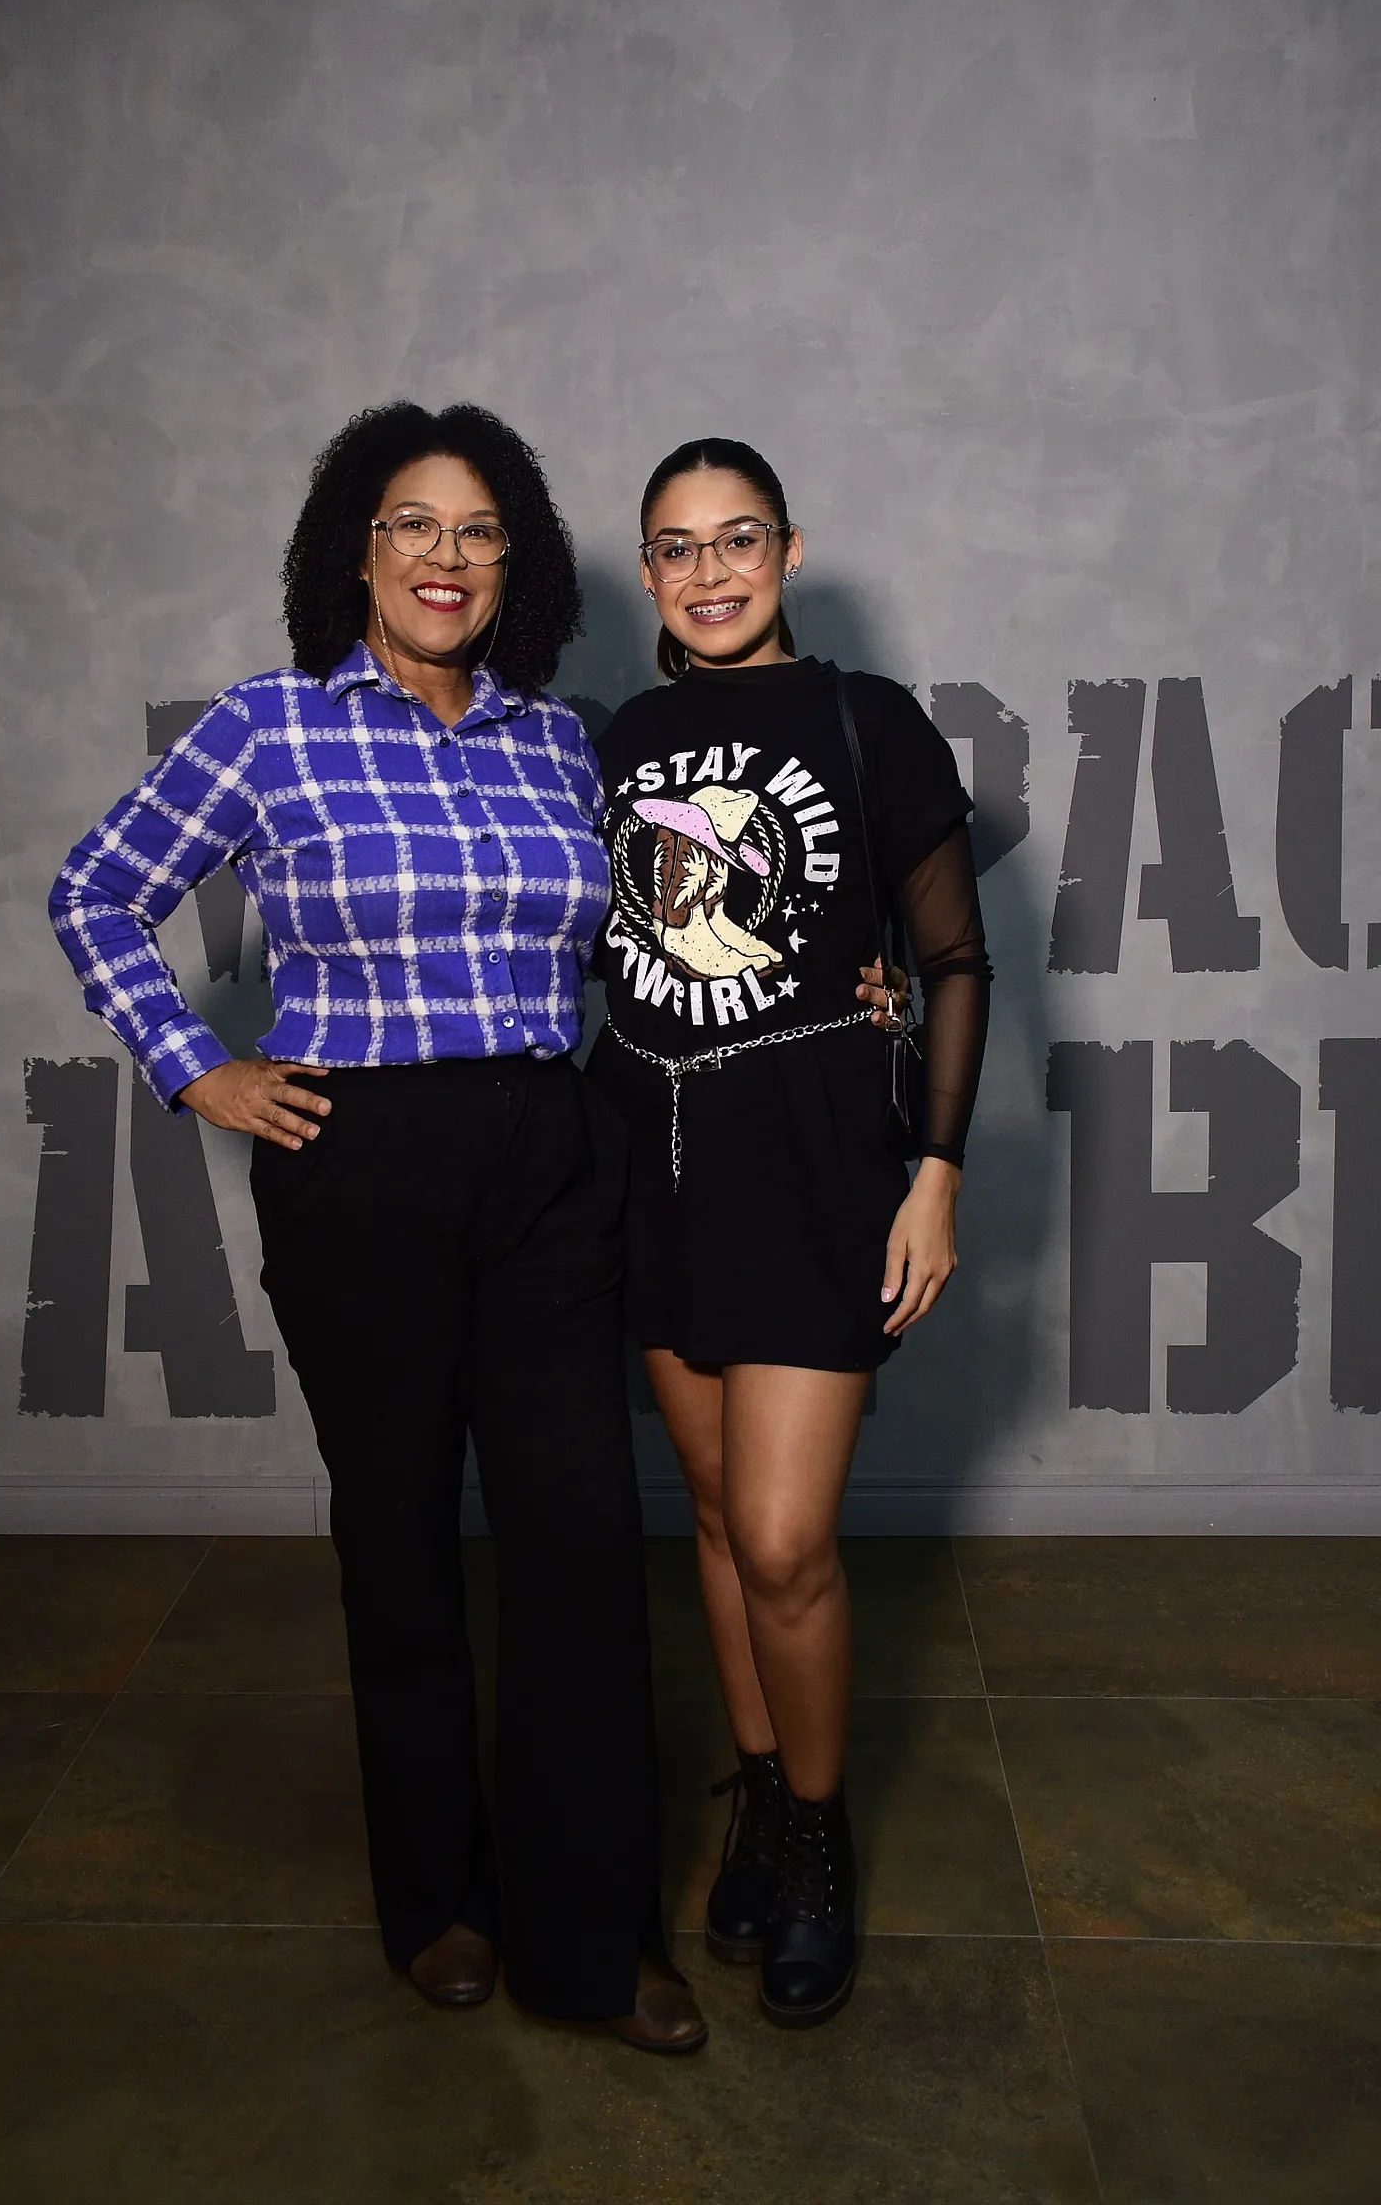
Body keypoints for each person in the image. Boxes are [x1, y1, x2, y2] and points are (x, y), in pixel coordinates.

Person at [49, 402, 706, 2053]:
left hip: (549, 1155)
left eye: (478, 530)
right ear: (356, 549)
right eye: (414, 523)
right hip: (362, 1162)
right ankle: (440, 1905)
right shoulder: (270, 725)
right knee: (400, 1536)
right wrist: (195, 1064)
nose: (445, 557)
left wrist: (843, 979)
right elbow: (95, 889)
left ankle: (595, 1932)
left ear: (515, 564)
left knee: (577, 1541)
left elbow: (666, 936)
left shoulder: (562, 743)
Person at [586, 437, 991, 2028]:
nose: (710, 573)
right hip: (653, 1155)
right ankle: (756, 1793)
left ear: (790, 550)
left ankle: (817, 1837)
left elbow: (953, 959)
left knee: (780, 1538)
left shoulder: (865, 720)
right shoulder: (621, 740)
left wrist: (935, 1171)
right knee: (705, 1509)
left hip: (819, 1167)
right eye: (678, 548)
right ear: (649, 573)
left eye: (738, 539)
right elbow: (607, 939)